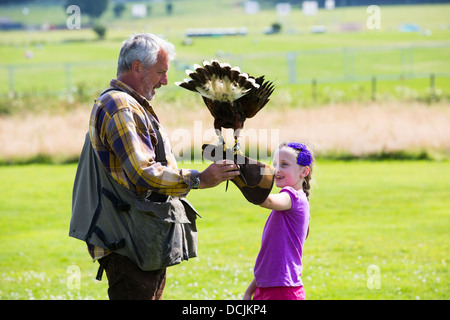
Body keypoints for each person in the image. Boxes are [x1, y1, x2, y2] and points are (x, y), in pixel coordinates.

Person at [70, 33, 239, 300]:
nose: (165, 81)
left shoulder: (129, 104)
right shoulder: (119, 105)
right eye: (160, 72)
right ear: (137, 68)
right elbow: (143, 172)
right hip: (128, 241)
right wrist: (199, 179)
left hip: (138, 237)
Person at [243, 142, 314, 300]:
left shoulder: (292, 196)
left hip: (283, 291)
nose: (277, 169)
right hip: (268, 287)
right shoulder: (293, 200)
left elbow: (265, 201)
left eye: (284, 164)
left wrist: (242, 175)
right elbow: (272, 260)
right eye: (275, 164)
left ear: (304, 171)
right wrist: (250, 291)